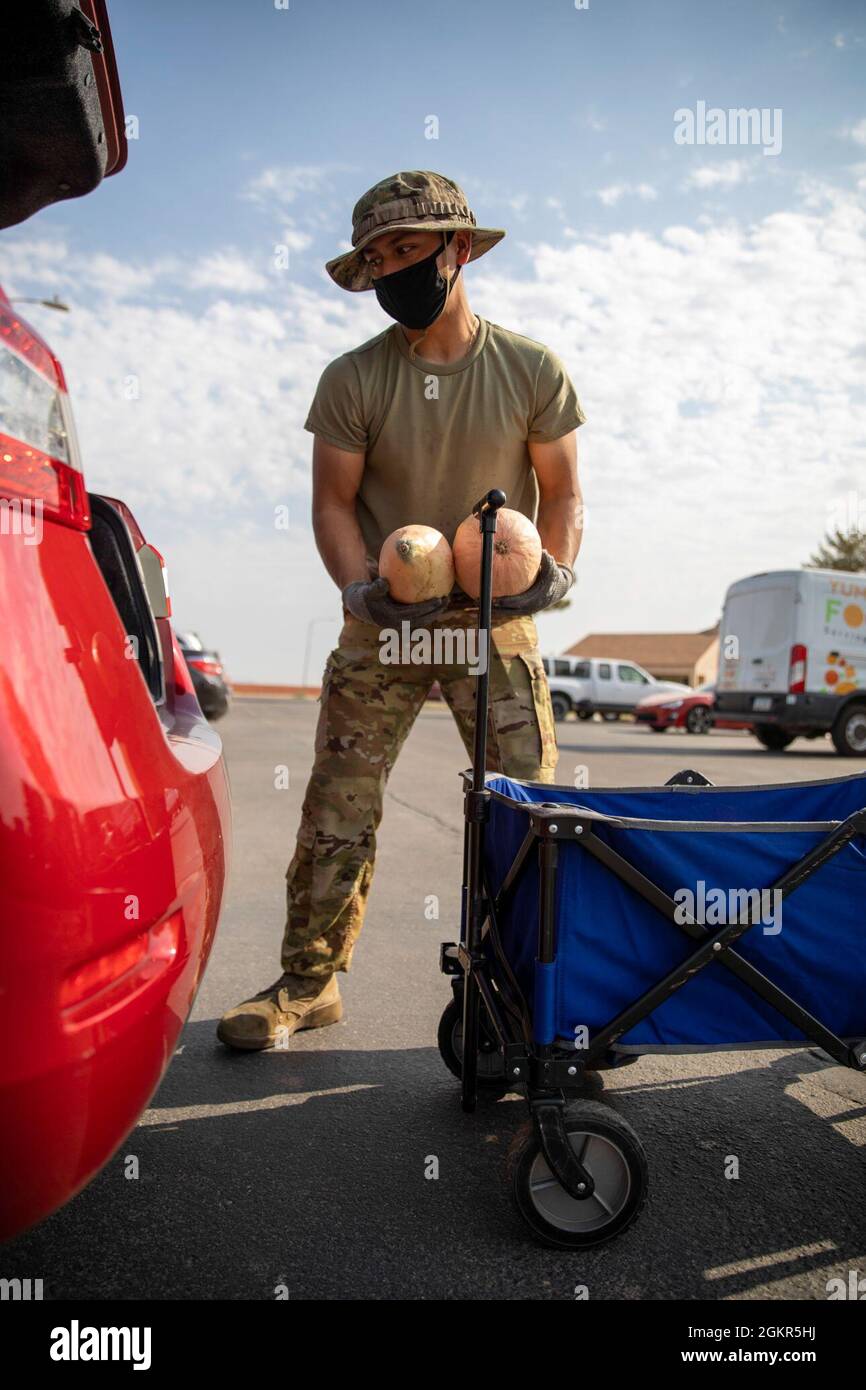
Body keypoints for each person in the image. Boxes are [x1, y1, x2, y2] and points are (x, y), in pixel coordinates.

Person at [217, 170, 585, 1050]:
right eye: (375, 257)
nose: (389, 271)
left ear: (458, 250)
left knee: (528, 817)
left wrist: (557, 573)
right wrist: (359, 589)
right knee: (336, 812)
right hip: (382, 628)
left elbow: (565, 491)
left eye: (406, 250)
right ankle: (308, 986)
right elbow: (333, 506)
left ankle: (533, 1005)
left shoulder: (530, 368)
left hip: (494, 626)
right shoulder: (352, 379)